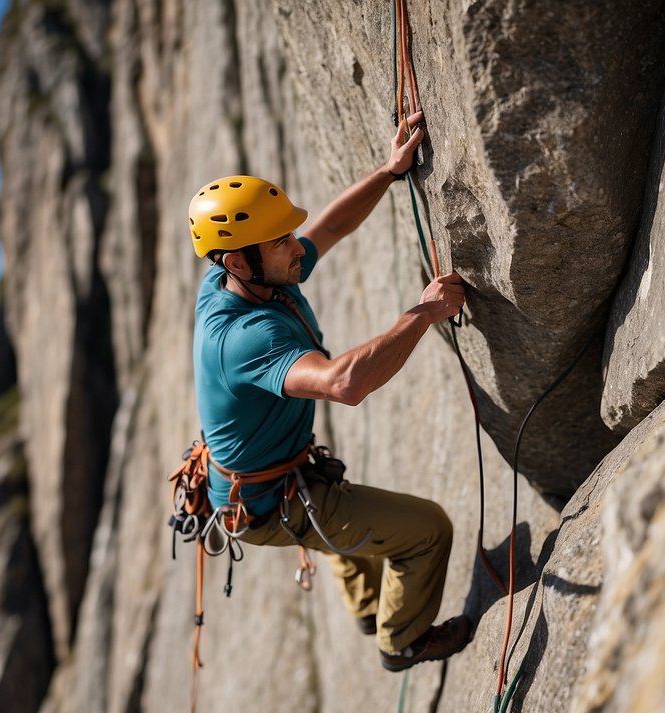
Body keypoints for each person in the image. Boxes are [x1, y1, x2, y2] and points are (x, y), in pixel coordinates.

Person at [187, 111, 473, 672]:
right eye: (280, 242)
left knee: (342, 525)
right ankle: (402, 638)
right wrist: (425, 313)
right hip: (267, 504)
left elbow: (332, 228)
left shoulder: (247, 278)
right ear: (239, 260)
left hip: (272, 476)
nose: (297, 246)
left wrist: (390, 172)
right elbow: (345, 383)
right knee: (428, 530)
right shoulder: (247, 337)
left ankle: (369, 607)